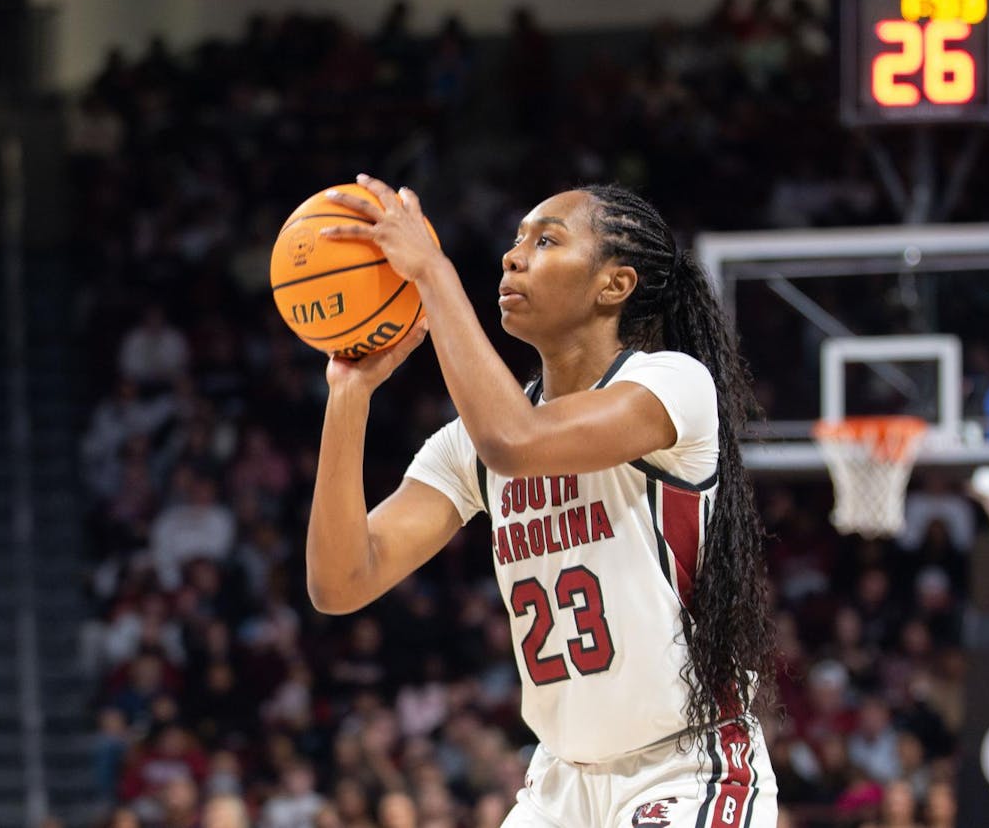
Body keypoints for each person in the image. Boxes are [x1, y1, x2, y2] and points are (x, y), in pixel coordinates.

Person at [307, 175, 777, 826]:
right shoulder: (469, 445)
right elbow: (341, 580)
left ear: (614, 284)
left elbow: (515, 441)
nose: (513, 254)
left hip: (686, 767)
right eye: (516, 239)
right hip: (561, 783)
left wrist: (432, 272)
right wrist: (348, 396)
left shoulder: (670, 385)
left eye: (547, 240)